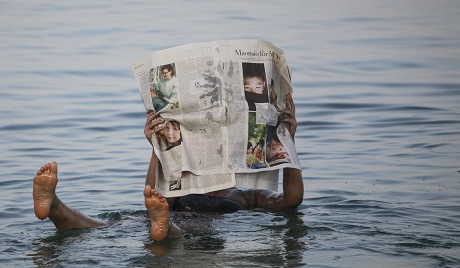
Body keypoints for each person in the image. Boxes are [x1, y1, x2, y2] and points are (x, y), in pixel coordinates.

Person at [33, 93, 303, 241]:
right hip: (162, 215)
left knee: (151, 223)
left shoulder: (246, 195)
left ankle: (163, 225)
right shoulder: (180, 184)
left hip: (194, 228)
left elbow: (291, 200)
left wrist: (288, 141)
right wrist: (155, 145)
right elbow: (151, 191)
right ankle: (54, 206)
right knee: (106, 226)